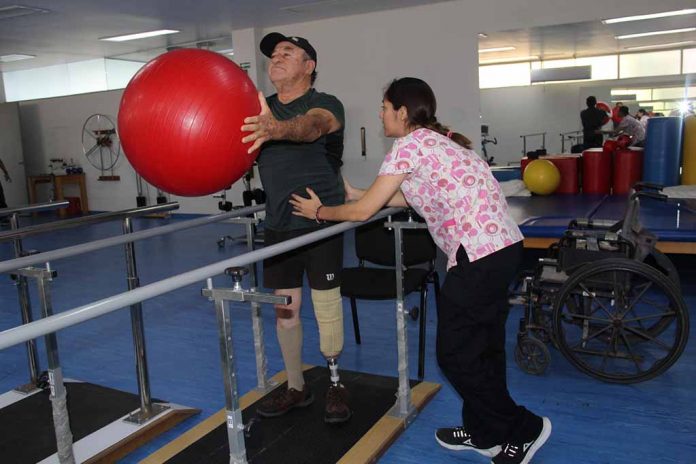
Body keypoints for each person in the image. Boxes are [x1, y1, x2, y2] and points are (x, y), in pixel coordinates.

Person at [290, 77, 551, 464]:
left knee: (455, 355)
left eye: (384, 107)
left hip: (479, 255)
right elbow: (412, 195)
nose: (380, 114)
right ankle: (484, 431)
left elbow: (362, 214)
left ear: (402, 112)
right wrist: (359, 193)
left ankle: (522, 428)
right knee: (483, 348)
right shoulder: (438, 141)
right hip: (502, 249)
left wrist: (320, 212)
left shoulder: (409, 145)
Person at [241, 32, 351, 423]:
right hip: (279, 224)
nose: (277, 57)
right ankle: (295, 386)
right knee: (285, 311)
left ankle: (335, 383)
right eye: (274, 53)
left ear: (309, 66)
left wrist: (274, 129)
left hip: (320, 221)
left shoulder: (325, 104)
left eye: (288, 52)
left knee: (326, 309)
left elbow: (311, 127)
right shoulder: (260, 109)